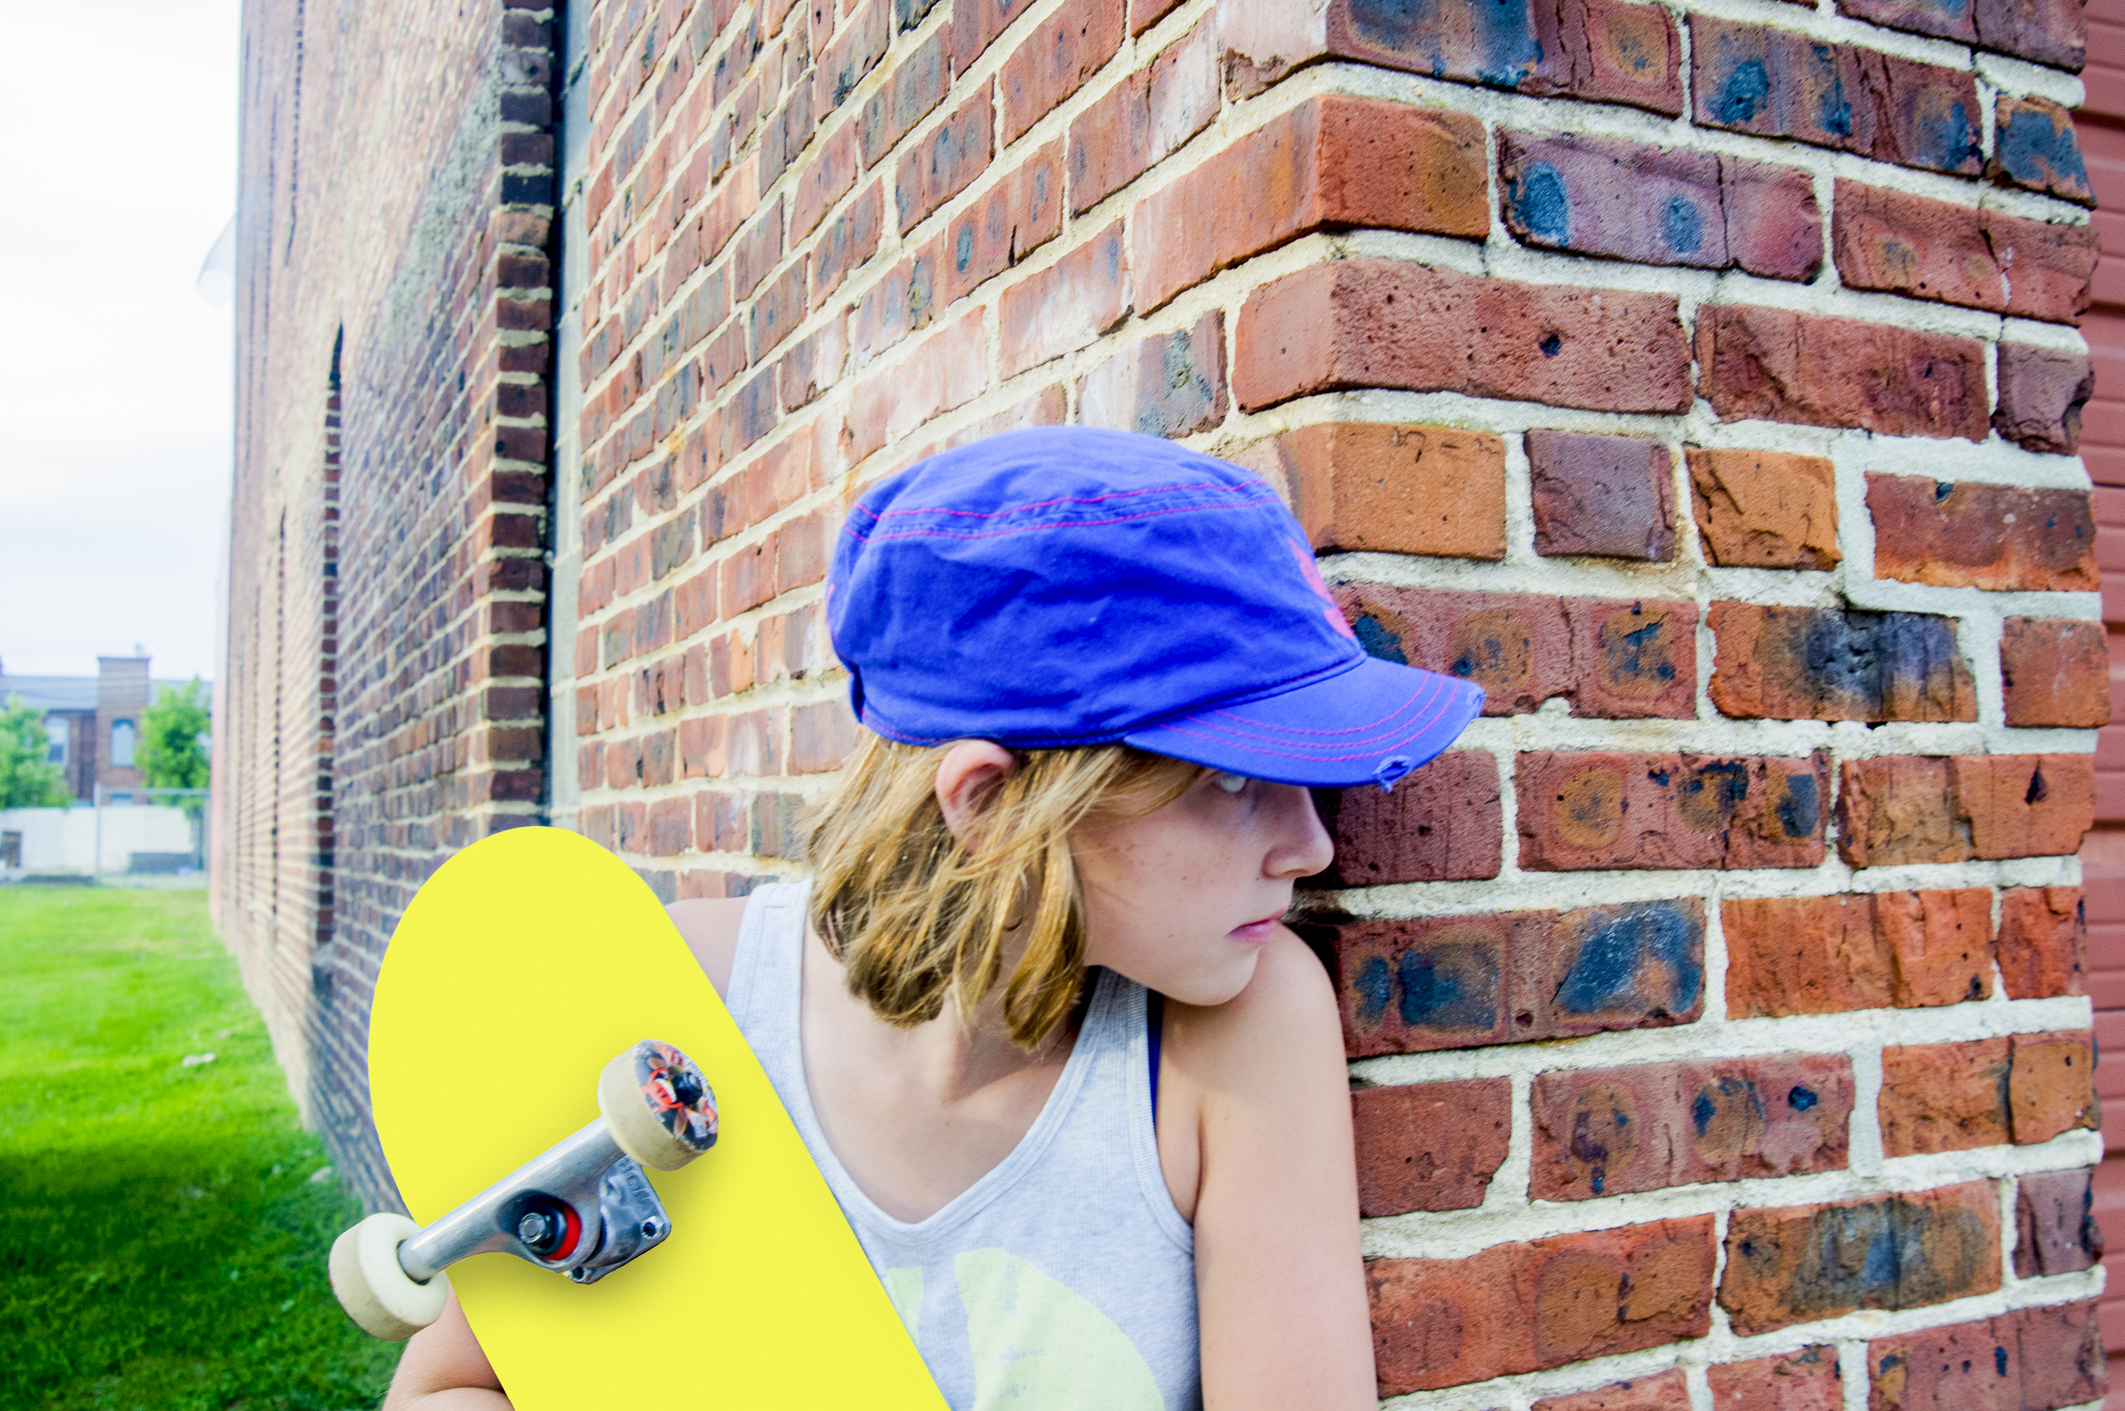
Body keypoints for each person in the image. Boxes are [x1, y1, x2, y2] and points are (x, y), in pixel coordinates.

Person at [382, 427, 1484, 1410]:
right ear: (995, 804)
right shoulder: (674, 1006)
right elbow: (451, 1390)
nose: (1315, 847)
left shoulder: (1233, 1032)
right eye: (1235, 781)